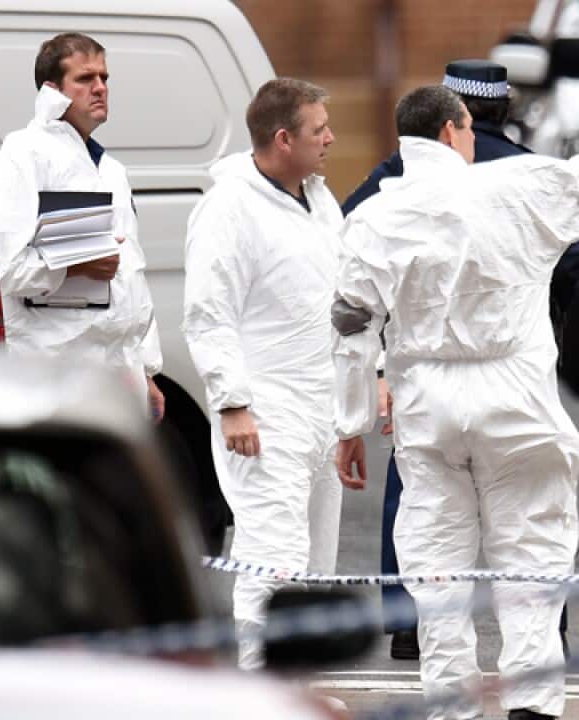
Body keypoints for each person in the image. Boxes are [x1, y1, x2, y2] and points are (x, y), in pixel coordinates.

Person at [331, 84, 579, 720]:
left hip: (428, 401)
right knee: (530, 559)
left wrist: (351, 424)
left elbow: (348, 324)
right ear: (456, 130)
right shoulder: (513, 186)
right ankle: (531, 706)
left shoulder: (374, 217)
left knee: (437, 570)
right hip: (514, 398)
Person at [341, 59, 579, 662]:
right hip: (517, 363)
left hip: (425, 369)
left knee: (421, 491)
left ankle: (407, 620)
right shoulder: (528, 171)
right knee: (531, 503)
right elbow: (574, 263)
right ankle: (545, 633)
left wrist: (380, 360)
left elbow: (351, 244)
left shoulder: (402, 171)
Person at [182, 78, 345, 670]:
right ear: (283, 138)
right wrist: (232, 403)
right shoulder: (230, 209)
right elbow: (208, 312)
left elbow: (343, 302)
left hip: (320, 407)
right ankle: (255, 689)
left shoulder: (319, 200)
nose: (331, 137)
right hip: (265, 412)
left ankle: (295, 685)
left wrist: (364, 384)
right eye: (318, 129)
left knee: (314, 564)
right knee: (271, 557)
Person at [0, 32, 163, 416]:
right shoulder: (23, 154)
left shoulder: (110, 169)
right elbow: (4, 269)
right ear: (52, 91)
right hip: (52, 373)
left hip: (115, 374)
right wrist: (78, 264)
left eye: (105, 78)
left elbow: (132, 273)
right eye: (85, 79)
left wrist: (146, 369)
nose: (100, 88)